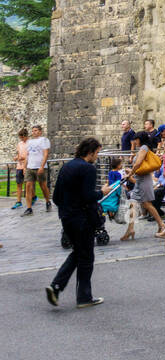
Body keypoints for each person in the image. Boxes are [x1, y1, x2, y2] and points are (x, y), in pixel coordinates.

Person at [45, 138, 104, 309]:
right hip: (82, 218)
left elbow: (56, 197)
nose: (98, 156)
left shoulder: (68, 166)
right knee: (86, 257)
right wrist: (101, 192)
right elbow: (88, 197)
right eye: (98, 153)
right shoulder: (88, 169)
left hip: (66, 217)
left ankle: (56, 286)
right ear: (91, 152)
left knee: (78, 253)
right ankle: (84, 297)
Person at [129, 137, 165, 236]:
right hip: (140, 179)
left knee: (147, 204)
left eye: (135, 139)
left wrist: (130, 173)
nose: (134, 142)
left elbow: (138, 163)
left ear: (140, 139)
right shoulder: (143, 148)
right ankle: (130, 229)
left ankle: (162, 225)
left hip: (143, 180)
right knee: (133, 204)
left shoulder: (144, 147)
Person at [23, 124, 51, 215]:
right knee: (28, 187)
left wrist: (42, 166)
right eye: (33, 130)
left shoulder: (44, 140)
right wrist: (24, 167)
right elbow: (27, 155)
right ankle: (29, 208)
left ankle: (47, 201)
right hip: (30, 167)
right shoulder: (29, 142)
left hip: (39, 167)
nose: (33, 132)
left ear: (40, 131)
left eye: (35, 130)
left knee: (43, 186)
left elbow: (46, 154)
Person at [12, 126, 28, 209]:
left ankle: (32, 198)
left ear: (26, 136)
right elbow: (19, 154)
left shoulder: (30, 143)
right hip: (19, 166)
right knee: (19, 184)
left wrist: (24, 159)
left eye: (22, 137)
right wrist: (16, 157)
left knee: (28, 185)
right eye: (20, 138)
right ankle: (18, 202)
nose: (21, 139)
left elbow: (28, 156)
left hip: (28, 166)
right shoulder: (19, 144)